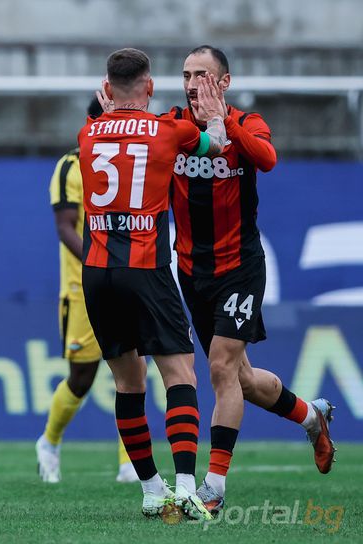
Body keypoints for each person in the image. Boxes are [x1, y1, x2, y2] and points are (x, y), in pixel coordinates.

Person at [169, 45, 336, 514]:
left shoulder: (249, 122)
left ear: (223, 82)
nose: (191, 83)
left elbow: (267, 159)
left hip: (239, 267)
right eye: (186, 74)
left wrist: (228, 126)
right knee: (239, 379)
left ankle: (214, 488)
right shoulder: (175, 124)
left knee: (221, 368)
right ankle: (311, 417)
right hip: (190, 270)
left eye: (201, 74)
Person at [79, 48, 227, 520]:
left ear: (107, 87)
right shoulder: (170, 129)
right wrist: (216, 118)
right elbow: (217, 146)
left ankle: (149, 489)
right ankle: (185, 486)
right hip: (145, 266)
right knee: (180, 374)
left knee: (128, 382)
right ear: (149, 85)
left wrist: (108, 117)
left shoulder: (86, 133)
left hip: (97, 272)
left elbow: (113, 137)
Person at [37, 98, 137, 485]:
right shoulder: (70, 166)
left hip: (126, 283)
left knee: (132, 371)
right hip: (82, 289)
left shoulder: (132, 163)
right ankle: (49, 441)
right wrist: (100, 262)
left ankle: (130, 462)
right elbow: (65, 227)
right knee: (82, 378)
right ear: (92, 122)